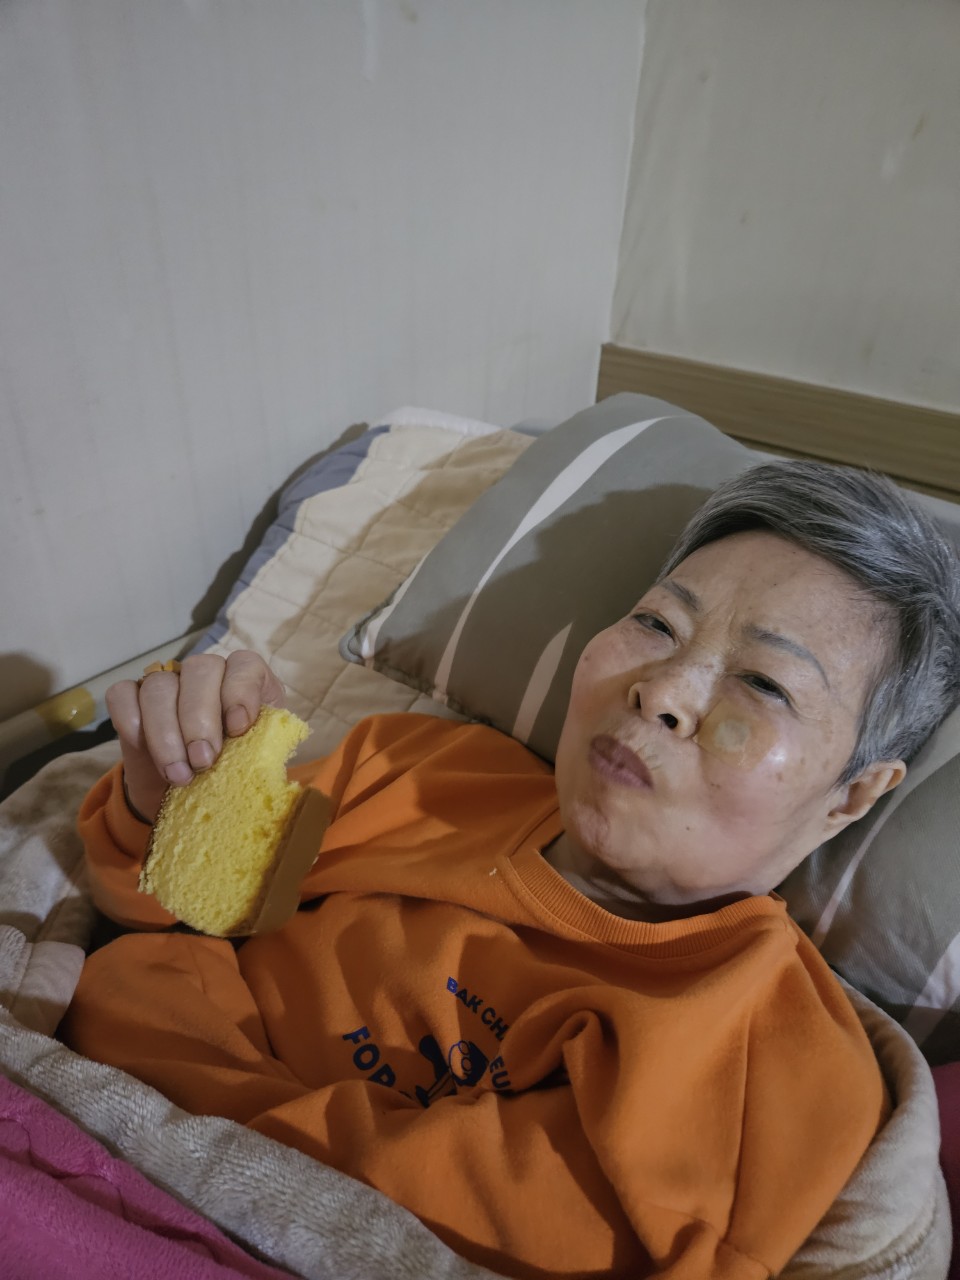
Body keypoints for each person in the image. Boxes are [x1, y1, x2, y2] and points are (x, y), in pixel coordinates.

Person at [61, 461, 960, 1280]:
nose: (662, 689)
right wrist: (161, 791)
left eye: (764, 684)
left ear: (852, 796)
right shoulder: (408, 767)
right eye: (657, 624)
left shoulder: (771, 1067)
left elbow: (390, 1230)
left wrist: (152, 991)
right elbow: (167, 902)